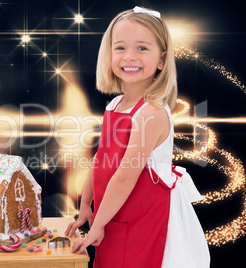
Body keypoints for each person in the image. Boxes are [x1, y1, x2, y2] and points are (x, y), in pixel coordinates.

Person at [64, 6, 210, 268]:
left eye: (142, 48)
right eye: (120, 48)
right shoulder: (115, 105)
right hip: (115, 212)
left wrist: (98, 223)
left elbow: (124, 176)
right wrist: (86, 206)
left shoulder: (150, 113)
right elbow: (101, 160)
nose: (129, 56)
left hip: (146, 215)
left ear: (162, 60)